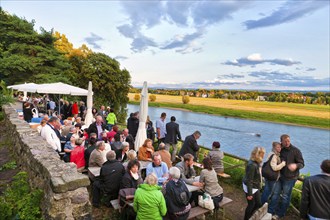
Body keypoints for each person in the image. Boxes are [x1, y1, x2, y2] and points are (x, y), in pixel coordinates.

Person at [271, 134, 304, 219]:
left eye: (288, 141)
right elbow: (272, 156)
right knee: (275, 194)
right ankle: (271, 211)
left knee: (285, 197)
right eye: (285, 141)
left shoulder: (296, 151)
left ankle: (280, 214)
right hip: (279, 176)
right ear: (281, 141)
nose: (287, 143)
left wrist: (296, 166)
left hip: (290, 178)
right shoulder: (279, 149)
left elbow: (302, 164)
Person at [261, 142, 286, 214]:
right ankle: (262, 206)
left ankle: (261, 205)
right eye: (278, 147)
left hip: (267, 175)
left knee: (266, 190)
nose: (279, 148)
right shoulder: (274, 156)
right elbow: (274, 168)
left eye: (280, 147)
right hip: (271, 177)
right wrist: (283, 164)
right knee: (268, 192)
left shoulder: (271, 153)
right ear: (274, 147)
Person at [243, 147, 265, 220]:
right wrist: (249, 194)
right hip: (250, 187)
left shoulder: (256, 162)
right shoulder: (252, 165)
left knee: (258, 204)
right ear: (258, 155)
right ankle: (247, 218)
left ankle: (250, 216)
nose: (263, 156)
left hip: (255, 186)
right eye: (262, 154)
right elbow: (250, 180)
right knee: (251, 205)